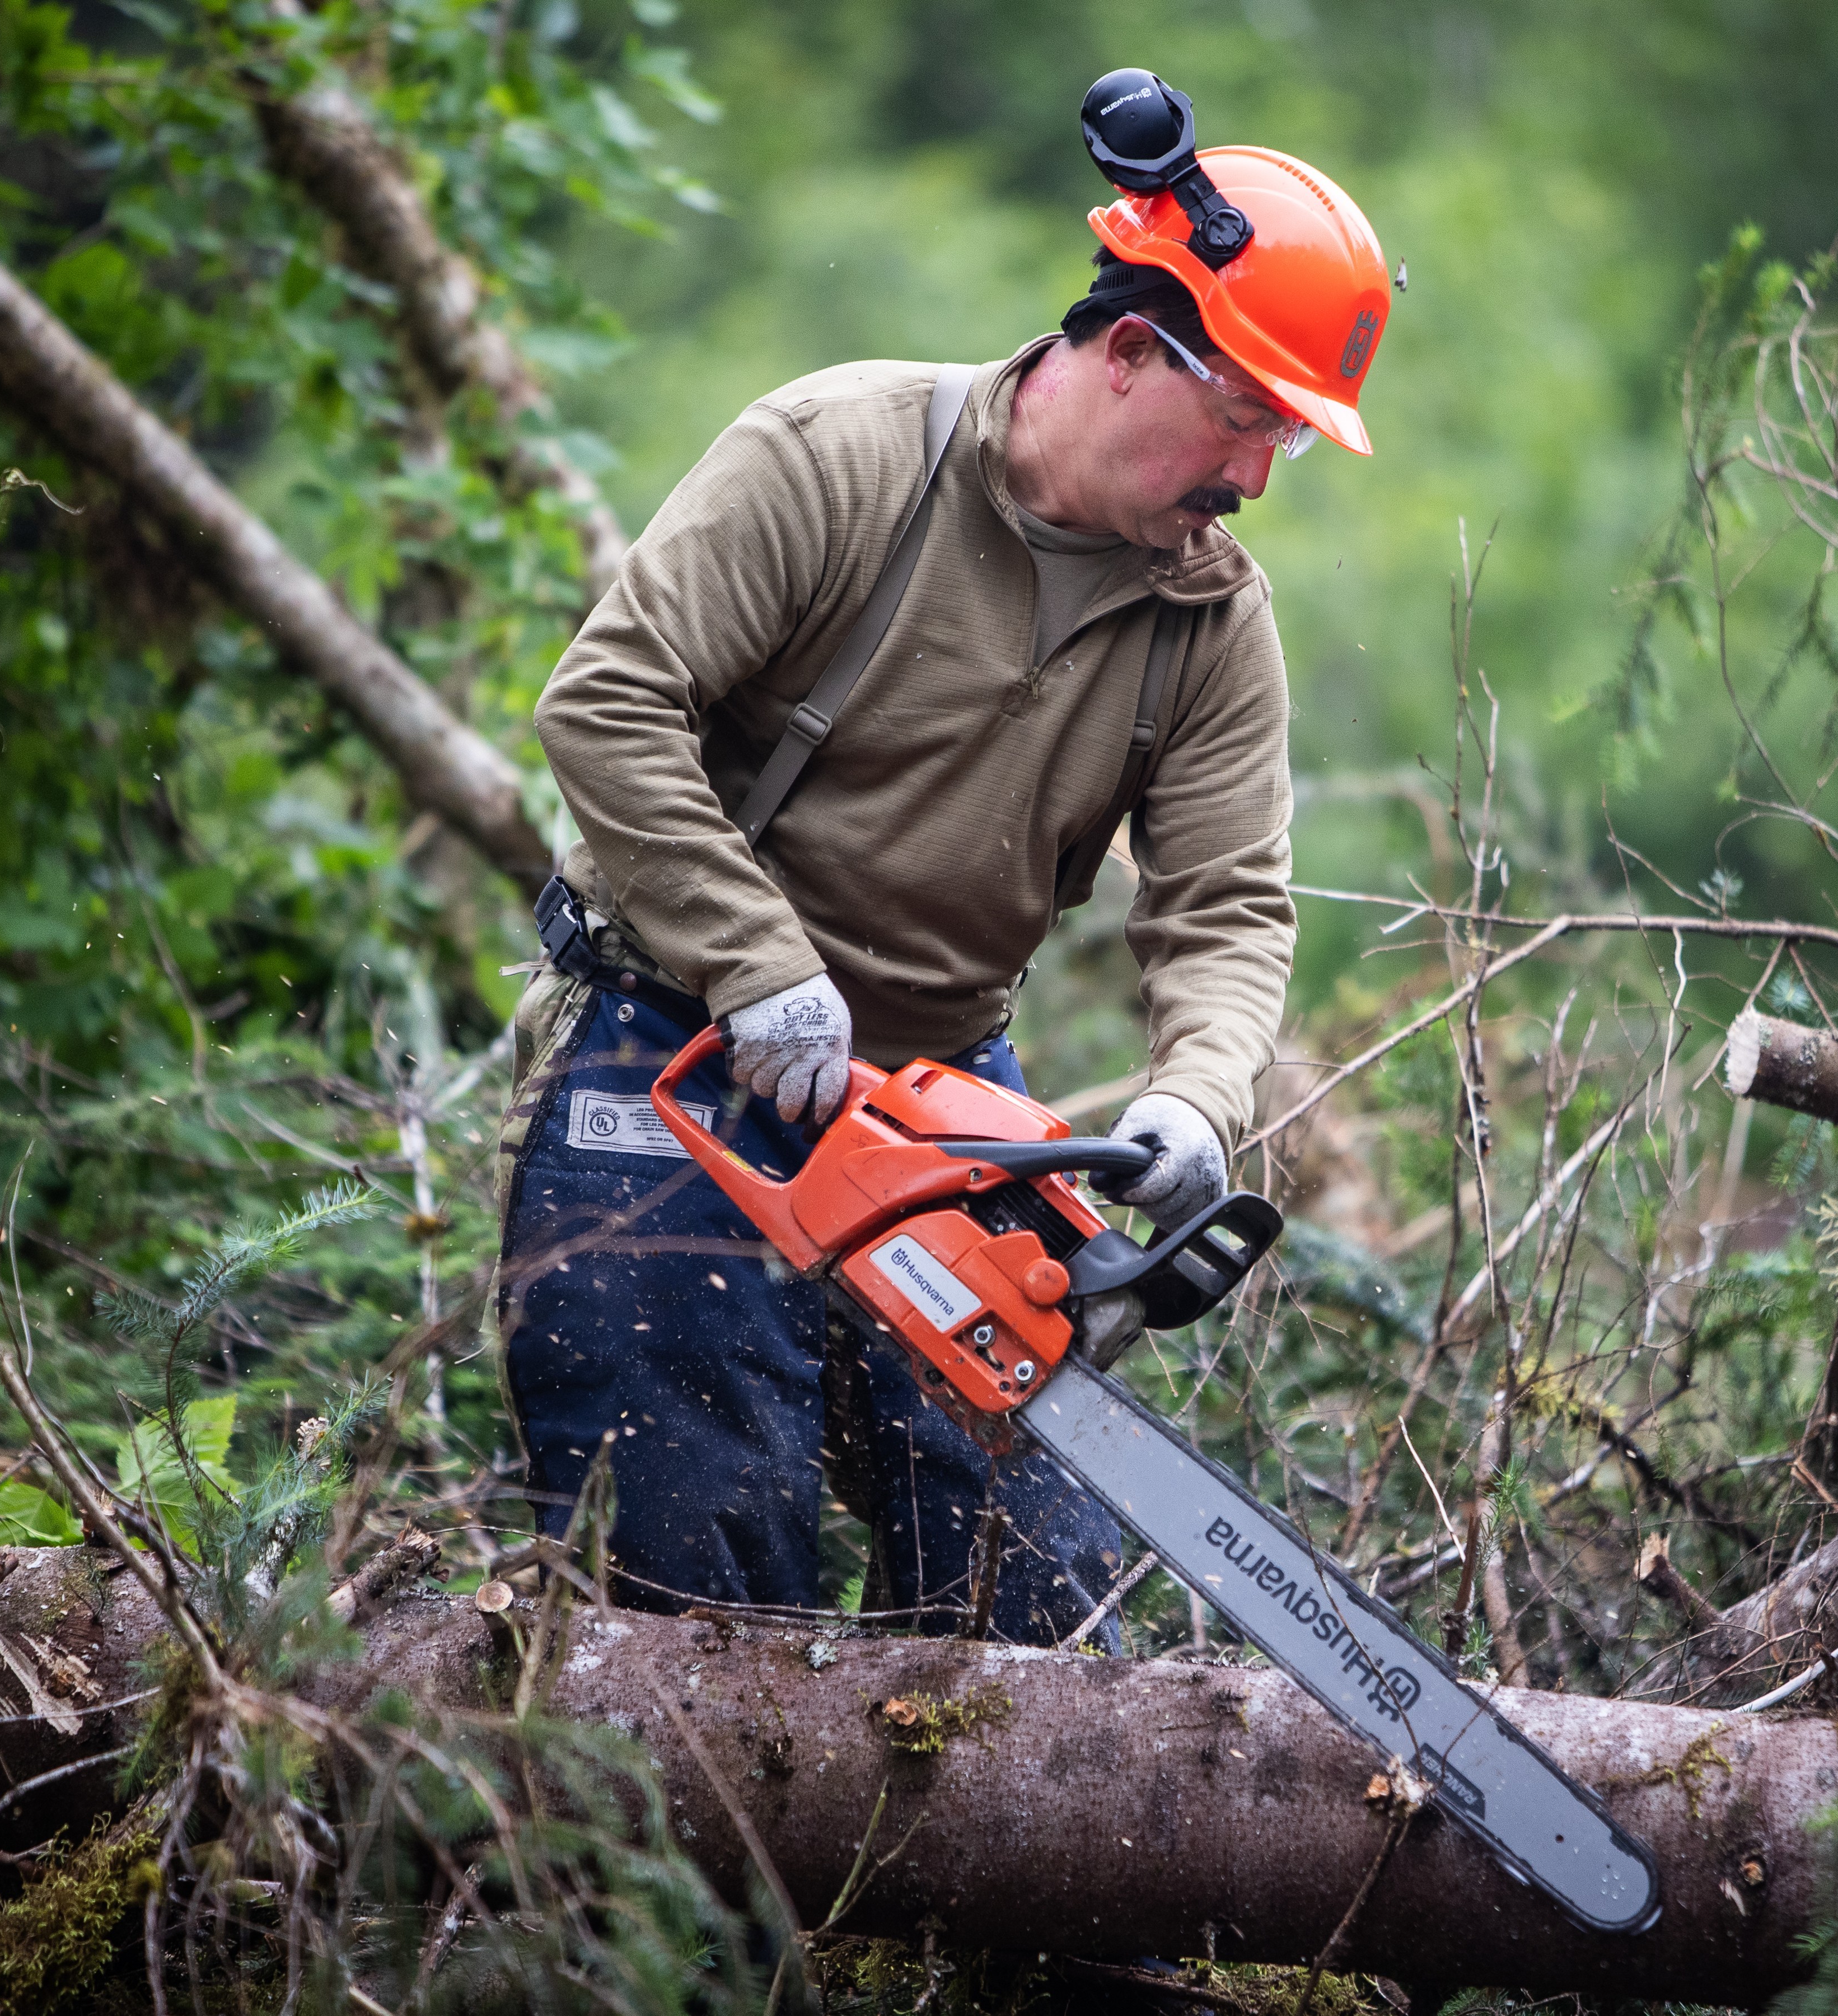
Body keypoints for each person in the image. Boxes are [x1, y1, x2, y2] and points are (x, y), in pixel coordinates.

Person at [495, 82, 1391, 1645]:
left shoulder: (1209, 619)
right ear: (1130, 352)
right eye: (1248, 419)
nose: (1251, 479)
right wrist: (756, 960)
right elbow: (609, 701)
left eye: (1284, 443)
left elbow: (1229, 903)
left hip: (936, 1098)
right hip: (672, 1047)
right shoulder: (838, 459)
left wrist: (1198, 1096)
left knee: (1032, 1591)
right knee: (706, 1589)